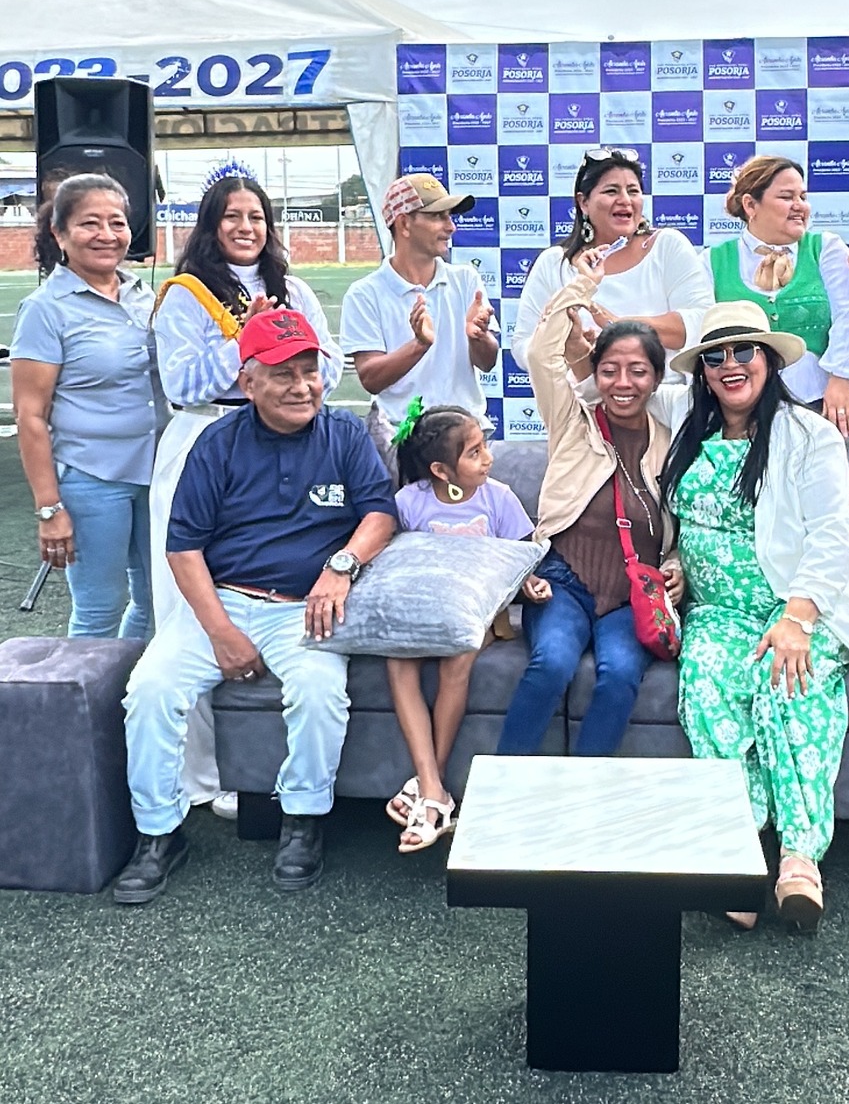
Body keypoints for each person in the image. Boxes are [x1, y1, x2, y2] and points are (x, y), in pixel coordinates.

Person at [113, 307, 398, 906]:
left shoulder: (344, 434)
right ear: (248, 383)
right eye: (283, 374)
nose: (302, 386)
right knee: (151, 691)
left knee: (319, 693)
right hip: (224, 600)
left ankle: (302, 820)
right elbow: (183, 548)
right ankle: (158, 832)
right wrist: (221, 632)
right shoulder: (216, 442)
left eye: (310, 371)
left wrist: (341, 566)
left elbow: (380, 513)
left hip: (304, 608)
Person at [661, 301, 849, 932]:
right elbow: (681, 521)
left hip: (797, 603)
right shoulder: (684, 428)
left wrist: (798, 618)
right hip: (717, 612)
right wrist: (676, 560)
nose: (730, 365)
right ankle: (738, 853)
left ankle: (798, 857)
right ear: (702, 371)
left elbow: (832, 534)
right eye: (715, 356)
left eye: (744, 351)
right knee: (706, 685)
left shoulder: (808, 435)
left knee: (787, 682)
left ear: (769, 360)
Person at [150, 167, 342, 816]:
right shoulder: (187, 294)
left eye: (256, 216)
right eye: (231, 216)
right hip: (206, 439)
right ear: (210, 225)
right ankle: (198, 776)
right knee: (189, 608)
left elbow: (328, 368)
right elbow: (182, 384)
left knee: (278, 596)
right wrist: (244, 343)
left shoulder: (293, 288)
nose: (245, 227)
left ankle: (266, 770)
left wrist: (287, 362)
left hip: (282, 445)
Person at [498, 249, 677, 757]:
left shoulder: (670, 440)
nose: (623, 383)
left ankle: (582, 789)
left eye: (638, 371)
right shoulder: (571, 422)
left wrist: (677, 565)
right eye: (611, 370)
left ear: (656, 379)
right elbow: (541, 354)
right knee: (551, 664)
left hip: (632, 593)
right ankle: (502, 787)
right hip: (564, 583)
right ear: (595, 375)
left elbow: (684, 520)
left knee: (618, 675)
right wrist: (582, 288)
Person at [384, 401, 545, 851]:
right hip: (421, 611)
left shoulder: (498, 497)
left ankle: (428, 785)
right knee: (398, 662)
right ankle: (433, 788)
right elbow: (394, 561)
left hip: (478, 615)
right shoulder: (409, 502)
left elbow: (519, 557)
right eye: (474, 452)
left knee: (458, 659)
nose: (487, 458)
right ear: (441, 470)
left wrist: (530, 584)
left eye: (484, 446)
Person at [11, 174, 163, 639]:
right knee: (100, 609)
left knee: (158, 602)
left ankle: (131, 683)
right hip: (92, 478)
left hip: (158, 474)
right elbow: (30, 416)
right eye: (89, 223)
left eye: (117, 222)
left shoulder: (145, 296)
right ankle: (89, 690)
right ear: (59, 234)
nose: (106, 235)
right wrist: (49, 508)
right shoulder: (45, 309)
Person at [699, 156, 849, 436]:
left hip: (819, 403)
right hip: (741, 412)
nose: (800, 206)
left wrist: (842, 378)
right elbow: (703, 333)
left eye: (803, 196)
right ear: (750, 205)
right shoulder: (713, 261)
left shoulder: (826, 248)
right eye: (787, 197)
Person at [510, 147, 711, 375]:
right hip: (578, 395)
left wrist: (617, 326)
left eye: (633, 191)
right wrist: (570, 349)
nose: (625, 200)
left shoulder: (668, 246)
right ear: (583, 202)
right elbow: (523, 347)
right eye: (611, 191)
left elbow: (702, 324)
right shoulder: (554, 263)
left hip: (663, 394)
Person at [341, 173, 498, 449]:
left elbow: (487, 362)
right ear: (404, 224)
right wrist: (419, 345)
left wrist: (479, 338)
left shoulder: (466, 280)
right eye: (438, 216)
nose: (451, 227)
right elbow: (371, 378)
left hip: (466, 435)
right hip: (402, 441)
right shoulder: (364, 294)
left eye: (449, 216)